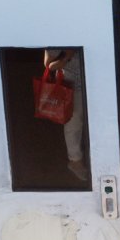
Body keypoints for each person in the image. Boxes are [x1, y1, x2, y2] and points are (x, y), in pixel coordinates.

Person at [44, 49, 87, 182]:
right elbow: (49, 65)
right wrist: (67, 55)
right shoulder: (58, 35)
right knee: (74, 121)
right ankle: (75, 161)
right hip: (72, 84)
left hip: (94, 80)